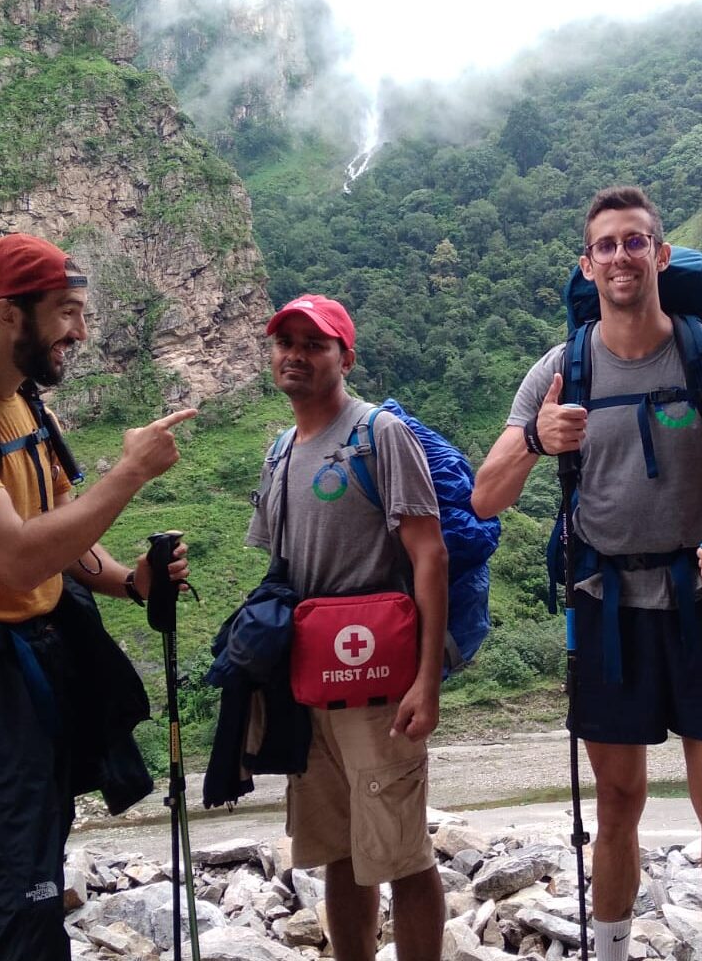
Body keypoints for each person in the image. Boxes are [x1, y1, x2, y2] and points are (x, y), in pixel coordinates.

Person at [472, 186, 702, 961]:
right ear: (588, 262)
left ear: (660, 253)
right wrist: (538, 440)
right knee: (617, 802)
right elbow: (487, 495)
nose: (620, 255)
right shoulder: (562, 369)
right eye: (605, 245)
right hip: (605, 606)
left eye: (634, 241)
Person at [0, 232, 197, 961]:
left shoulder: (23, 407)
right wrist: (129, 473)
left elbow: (57, 531)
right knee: (8, 911)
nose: (81, 332)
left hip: (25, 677)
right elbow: (19, 559)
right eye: (68, 312)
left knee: (34, 891)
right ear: (9, 313)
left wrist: (127, 581)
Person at [246, 294, 449, 961]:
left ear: (345, 357)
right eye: (286, 342)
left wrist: (427, 681)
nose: (296, 355)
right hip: (310, 683)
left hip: (380, 683)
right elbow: (280, 576)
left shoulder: (378, 434)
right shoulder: (278, 451)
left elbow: (429, 552)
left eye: (314, 344)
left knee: (402, 851)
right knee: (339, 851)